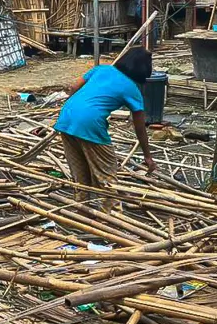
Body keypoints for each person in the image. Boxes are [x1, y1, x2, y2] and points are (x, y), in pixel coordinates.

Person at [53, 46, 157, 212]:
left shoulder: (101, 69)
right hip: (89, 123)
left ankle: (81, 211)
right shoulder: (132, 88)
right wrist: (148, 156)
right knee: (107, 175)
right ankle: (112, 217)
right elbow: (140, 127)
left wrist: (75, 112)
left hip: (66, 118)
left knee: (80, 174)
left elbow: (73, 88)